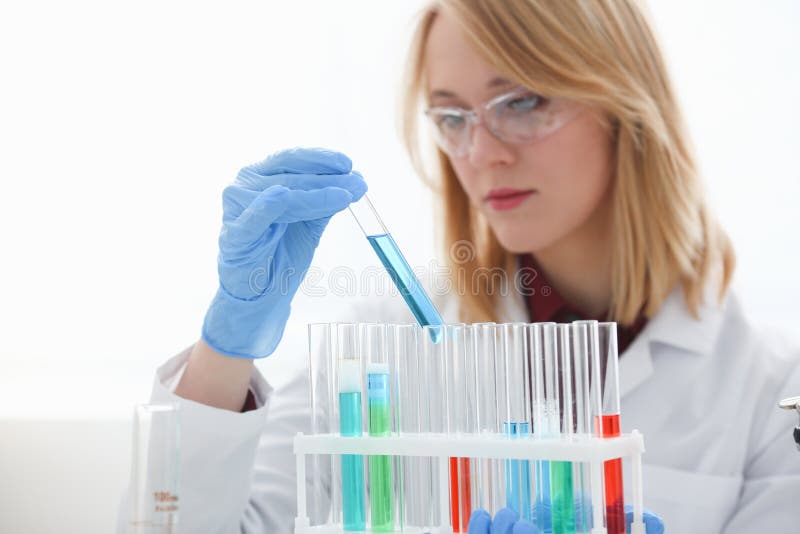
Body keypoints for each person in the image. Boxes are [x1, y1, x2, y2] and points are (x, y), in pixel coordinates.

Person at [117, 1, 800, 533]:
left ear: (628, 103)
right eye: (451, 116)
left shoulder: (771, 392)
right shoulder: (387, 346)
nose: (480, 153)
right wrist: (225, 349)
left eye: (523, 101)